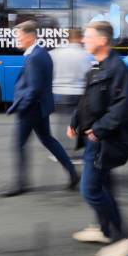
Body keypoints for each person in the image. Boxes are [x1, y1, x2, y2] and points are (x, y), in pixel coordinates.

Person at [67, 21, 128, 256]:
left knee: (90, 190)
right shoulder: (98, 66)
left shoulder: (117, 68)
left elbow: (123, 106)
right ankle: (104, 229)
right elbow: (86, 101)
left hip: (104, 140)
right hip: (96, 137)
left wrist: (99, 130)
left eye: (88, 36)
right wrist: (74, 122)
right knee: (104, 185)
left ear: (102, 40)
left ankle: (122, 236)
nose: (83, 40)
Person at [1, 21, 79, 197]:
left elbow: (34, 88)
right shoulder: (40, 53)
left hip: (31, 109)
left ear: (30, 36)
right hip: (40, 107)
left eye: (19, 36)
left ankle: (20, 184)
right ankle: (73, 173)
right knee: (48, 140)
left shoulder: (35, 57)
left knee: (18, 145)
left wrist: (21, 106)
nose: (17, 40)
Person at [49, 29, 93, 162]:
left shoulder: (55, 53)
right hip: (80, 93)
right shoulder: (87, 55)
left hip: (60, 93)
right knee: (81, 123)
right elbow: (92, 74)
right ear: (79, 39)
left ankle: (62, 153)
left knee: (61, 124)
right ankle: (81, 152)